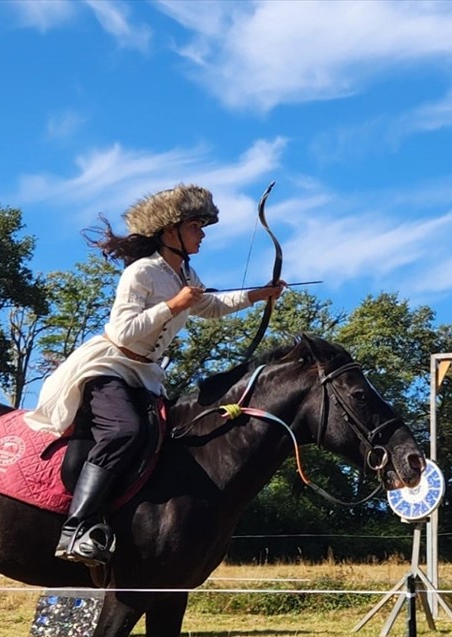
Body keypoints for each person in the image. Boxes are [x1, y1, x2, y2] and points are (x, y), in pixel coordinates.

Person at [24, 183, 286, 566]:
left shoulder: (185, 273)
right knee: (124, 432)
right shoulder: (142, 272)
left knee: (169, 439)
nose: (202, 235)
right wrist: (172, 305)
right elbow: (123, 332)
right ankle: (75, 529)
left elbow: (210, 306)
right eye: (196, 226)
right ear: (170, 230)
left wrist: (258, 295)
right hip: (109, 366)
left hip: (145, 375)